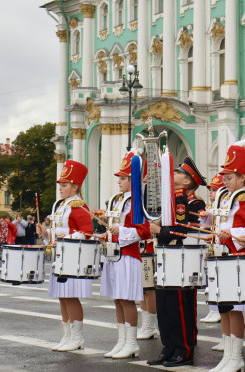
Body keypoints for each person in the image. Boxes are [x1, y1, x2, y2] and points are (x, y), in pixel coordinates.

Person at [147, 156, 207, 367]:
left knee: (180, 306)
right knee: (164, 305)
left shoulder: (194, 202)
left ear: (188, 181)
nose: (174, 174)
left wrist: (160, 230)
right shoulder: (173, 199)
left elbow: (183, 232)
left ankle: (184, 350)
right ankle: (169, 347)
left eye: (179, 173)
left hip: (183, 259)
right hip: (167, 257)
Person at [208, 140, 245, 372]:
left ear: (242, 178)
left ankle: (237, 356)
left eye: (229, 177)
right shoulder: (225, 197)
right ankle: (228, 356)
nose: (225, 181)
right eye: (225, 177)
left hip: (237, 259)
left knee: (234, 307)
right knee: (223, 306)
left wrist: (234, 233)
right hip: (222, 256)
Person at [36, 160, 93, 352]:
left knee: (71, 296)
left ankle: (77, 337)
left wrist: (63, 238)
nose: (60, 188)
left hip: (72, 257)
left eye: (65, 184)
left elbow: (87, 231)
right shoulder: (60, 206)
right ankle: (67, 335)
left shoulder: (78, 205)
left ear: (75, 186)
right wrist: (45, 234)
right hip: (60, 256)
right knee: (62, 297)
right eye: (60, 184)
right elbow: (56, 233)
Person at [100, 150, 151, 359]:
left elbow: (144, 231)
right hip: (114, 255)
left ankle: (131, 343)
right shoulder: (117, 200)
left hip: (129, 255)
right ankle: (121, 341)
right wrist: (106, 234)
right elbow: (116, 227)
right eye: (120, 178)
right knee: (118, 300)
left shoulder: (137, 201)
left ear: (133, 180)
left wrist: (119, 231)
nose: (119, 182)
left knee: (127, 299)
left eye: (124, 178)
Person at [200, 173, 224, 325]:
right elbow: (205, 228)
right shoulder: (209, 207)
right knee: (211, 279)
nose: (210, 193)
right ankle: (212, 309)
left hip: (219, 246)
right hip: (210, 246)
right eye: (210, 190)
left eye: (214, 190)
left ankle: (218, 310)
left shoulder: (221, 208)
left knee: (219, 279)